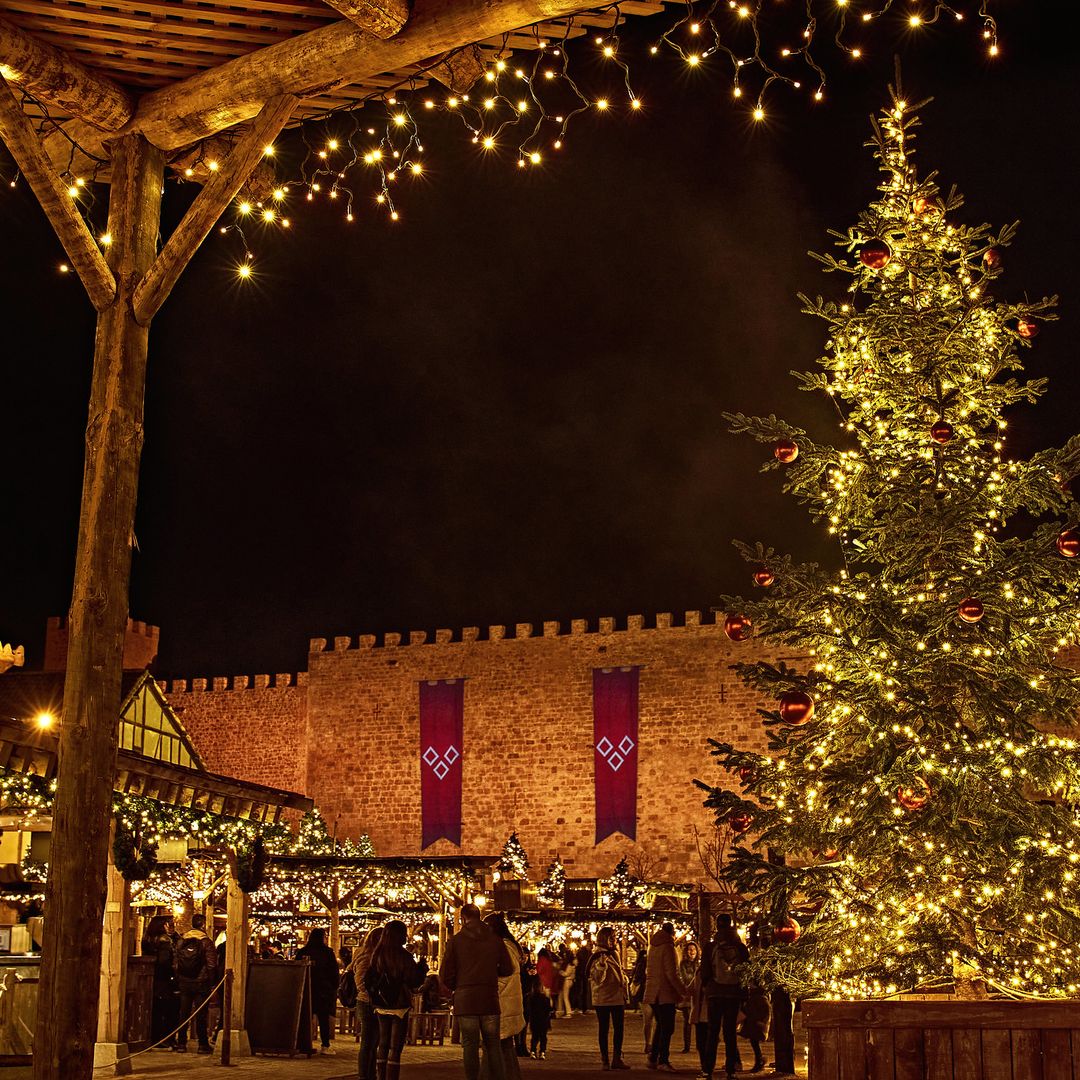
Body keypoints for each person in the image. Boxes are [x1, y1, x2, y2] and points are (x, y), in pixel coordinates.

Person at [441, 904, 512, 1080]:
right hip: (489, 998)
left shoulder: (456, 941)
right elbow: (507, 968)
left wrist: (458, 985)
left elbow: (445, 974)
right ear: (479, 916)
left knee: (470, 1045)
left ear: (463, 918)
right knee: (493, 1044)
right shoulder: (495, 940)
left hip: (466, 999)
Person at [364, 919, 427, 1080]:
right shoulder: (404, 956)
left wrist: (374, 995)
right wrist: (421, 969)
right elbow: (413, 981)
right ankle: (391, 1077)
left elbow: (369, 978)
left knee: (383, 1043)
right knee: (395, 1046)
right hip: (399, 1005)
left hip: (381, 1003)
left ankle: (380, 1076)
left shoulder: (377, 954)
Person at [699, 918, 749, 1080]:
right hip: (733, 994)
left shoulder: (710, 947)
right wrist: (744, 994)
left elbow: (705, 972)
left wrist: (708, 987)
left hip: (715, 993)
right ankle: (731, 1069)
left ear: (717, 926)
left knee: (712, 1032)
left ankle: (708, 1069)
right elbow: (746, 971)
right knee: (730, 1033)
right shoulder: (740, 947)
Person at [479, 913, 526, 1080]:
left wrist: (485, 989)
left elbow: (503, 976)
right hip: (506, 1002)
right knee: (504, 1045)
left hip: (501, 1003)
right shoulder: (508, 947)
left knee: (492, 1043)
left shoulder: (503, 948)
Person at [174, 913, 218, 1054]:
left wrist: (179, 978)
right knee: (201, 1013)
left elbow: (175, 963)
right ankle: (203, 1045)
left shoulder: (182, 940)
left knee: (183, 1013)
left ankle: (181, 1043)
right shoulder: (206, 942)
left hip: (184, 981)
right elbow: (211, 964)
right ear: (203, 924)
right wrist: (212, 983)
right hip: (201, 982)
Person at [588, 925, 630, 1071]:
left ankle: (617, 1058)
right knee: (604, 1028)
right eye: (611, 937)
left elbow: (618, 972)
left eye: (614, 936)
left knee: (619, 1028)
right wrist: (601, 966)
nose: (614, 939)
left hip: (617, 996)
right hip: (603, 997)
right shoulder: (598, 956)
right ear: (604, 938)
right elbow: (597, 979)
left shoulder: (614, 954)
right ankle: (605, 1059)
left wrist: (624, 982)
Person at [644, 922, 683, 1071]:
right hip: (664, 993)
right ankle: (663, 1060)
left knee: (661, 1026)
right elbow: (671, 973)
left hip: (653, 991)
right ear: (672, 933)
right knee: (667, 1027)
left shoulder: (652, 947)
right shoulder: (668, 947)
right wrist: (682, 991)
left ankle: (654, 1057)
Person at [298, 927, 341, 1055]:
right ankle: (325, 1045)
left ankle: (303, 1043)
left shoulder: (303, 951)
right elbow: (334, 971)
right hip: (323, 990)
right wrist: (333, 987)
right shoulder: (327, 952)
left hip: (306, 989)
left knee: (306, 1017)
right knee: (323, 1019)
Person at [352, 926, 385, 1080]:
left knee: (373, 1042)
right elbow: (360, 981)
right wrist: (372, 993)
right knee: (368, 1042)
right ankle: (365, 1074)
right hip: (366, 1002)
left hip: (374, 1002)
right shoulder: (366, 957)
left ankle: (370, 1074)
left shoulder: (376, 956)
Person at [142, 915, 178, 1049]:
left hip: (153, 978)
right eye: (168, 924)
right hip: (164, 980)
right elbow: (165, 962)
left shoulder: (147, 939)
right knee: (166, 1010)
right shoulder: (164, 941)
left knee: (155, 1009)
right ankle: (163, 1038)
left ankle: (155, 1037)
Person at [739, 982, 770, 1074]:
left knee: (755, 1043)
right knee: (754, 1043)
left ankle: (759, 1061)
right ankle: (759, 1061)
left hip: (756, 1024)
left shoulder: (757, 998)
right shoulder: (759, 997)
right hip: (755, 1024)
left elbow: (753, 1010)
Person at [677, 942, 700, 1054]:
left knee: (698, 1021)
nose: (692, 952)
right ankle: (687, 1045)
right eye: (690, 950)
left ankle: (699, 1045)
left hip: (697, 996)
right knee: (687, 1021)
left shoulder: (699, 964)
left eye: (694, 950)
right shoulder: (683, 964)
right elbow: (686, 978)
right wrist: (695, 979)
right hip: (687, 996)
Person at [526, 985, 553, 1059]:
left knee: (534, 1037)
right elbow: (549, 1009)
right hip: (544, 1021)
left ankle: (533, 1051)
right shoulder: (545, 999)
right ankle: (542, 1052)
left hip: (534, 1021)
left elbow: (529, 1009)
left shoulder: (532, 998)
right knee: (543, 1037)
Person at [557, 948, 576, 1018]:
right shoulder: (573, 964)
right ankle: (565, 1011)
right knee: (565, 996)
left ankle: (568, 1012)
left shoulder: (569, 965)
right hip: (570, 980)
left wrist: (560, 972)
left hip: (567, 981)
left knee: (565, 997)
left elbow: (566, 974)